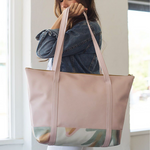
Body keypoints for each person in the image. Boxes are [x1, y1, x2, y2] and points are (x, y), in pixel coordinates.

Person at [35, 0, 102, 149]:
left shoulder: (87, 27)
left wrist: (61, 18)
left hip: (72, 115)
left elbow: (43, 50)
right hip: (65, 112)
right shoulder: (71, 29)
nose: (63, 3)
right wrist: (63, 19)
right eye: (60, 0)